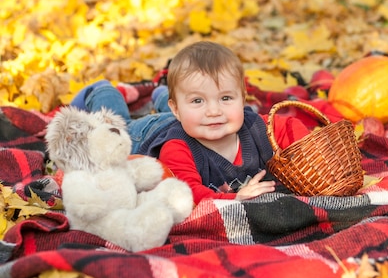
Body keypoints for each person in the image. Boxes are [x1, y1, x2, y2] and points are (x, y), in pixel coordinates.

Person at [71, 41, 305, 204]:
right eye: (198, 100)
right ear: (177, 109)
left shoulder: (253, 126)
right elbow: (188, 194)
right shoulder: (176, 148)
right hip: (144, 133)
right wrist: (237, 199)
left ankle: (163, 95)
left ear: (243, 99)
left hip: (184, 119)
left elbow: (290, 127)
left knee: (189, 108)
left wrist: (314, 152)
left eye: (225, 98)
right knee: (112, 126)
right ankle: (100, 91)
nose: (214, 111)